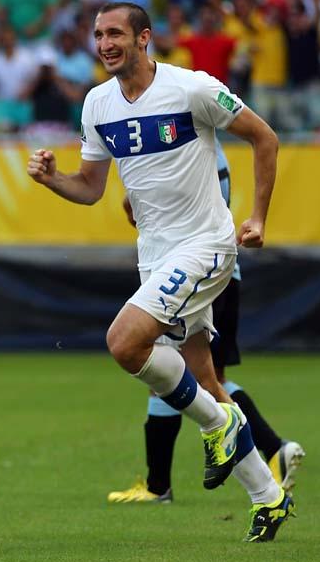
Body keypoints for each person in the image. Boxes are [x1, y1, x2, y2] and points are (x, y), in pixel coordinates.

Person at [26, 2, 293, 543]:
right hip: (156, 255)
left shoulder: (191, 88)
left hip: (206, 246)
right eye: (98, 34)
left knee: (124, 343)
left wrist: (257, 216)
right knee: (206, 381)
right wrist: (54, 180)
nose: (105, 43)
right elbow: (91, 188)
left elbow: (264, 136)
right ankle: (268, 496)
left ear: (144, 38)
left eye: (116, 33)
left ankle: (223, 427)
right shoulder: (98, 103)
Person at [109, 141, 305, 504]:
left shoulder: (186, 144)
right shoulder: (209, 146)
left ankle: (164, 486)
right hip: (223, 271)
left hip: (199, 272)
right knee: (198, 377)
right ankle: (270, 453)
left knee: (182, 376)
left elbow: (143, 205)